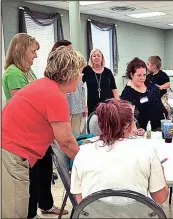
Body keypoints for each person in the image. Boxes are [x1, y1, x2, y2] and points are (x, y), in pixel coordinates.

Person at [2, 46, 83, 218]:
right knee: (15, 212)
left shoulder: (46, 87)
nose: (81, 77)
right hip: (11, 153)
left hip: (10, 150)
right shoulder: (54, 95)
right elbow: (66, 141)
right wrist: (87, 162)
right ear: (71, 74)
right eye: (80, 72)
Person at [70, 99, 169, 205]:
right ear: (130, 125)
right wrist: (160, 171)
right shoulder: (147, 152)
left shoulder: (83, 153)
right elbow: (161, 198)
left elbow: (80, 200)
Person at [120, 57, 167, 131]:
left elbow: (156, 94)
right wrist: (135, 130)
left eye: (144, 75)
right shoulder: (127, 93)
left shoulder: (147, 83)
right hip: (146, 131)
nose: (142, 78)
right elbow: (128, 119)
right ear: (131, 74)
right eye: (139, 75)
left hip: (162, 125)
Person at [2, 33, 38, 102]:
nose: (36, 56)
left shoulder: (29, 70)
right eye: (33, 52)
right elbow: (22, 103)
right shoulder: (13, 73)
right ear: (22, 52)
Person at [82, 48, 118, 114]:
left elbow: (114, 88)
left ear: (102, 58)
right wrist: (83, 105)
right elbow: (79, 86)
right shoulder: (87, 70)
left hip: (108, 104)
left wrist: (117, 103)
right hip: (92, 104)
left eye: (98, 55)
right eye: (94, 56)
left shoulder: (108, 72)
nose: (96, 58)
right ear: (91, 58)